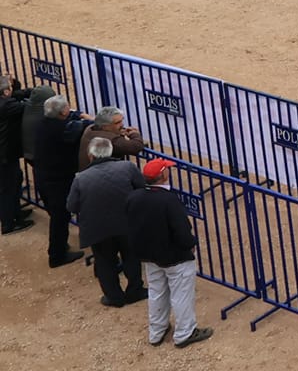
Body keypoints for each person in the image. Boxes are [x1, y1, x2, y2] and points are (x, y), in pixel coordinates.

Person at [127, 158, 210, 348]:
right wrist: (191, 244)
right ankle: (184, 333)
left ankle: (156, 332)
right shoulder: (169, 200)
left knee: (156, 292)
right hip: (175, 257)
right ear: (163, 175)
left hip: (149, 256)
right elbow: (181, 230)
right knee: (181, 295)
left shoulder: (133, 197)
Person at [69, 138, 145, 307]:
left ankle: (114, 297)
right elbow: (141, 189)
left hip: (97, 229)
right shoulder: (127, 167)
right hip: (127, 223)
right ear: (110, 152)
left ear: (90, 156)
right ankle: (135, 291)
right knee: (131, 257)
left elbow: (71, 205)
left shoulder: (81, 178)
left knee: (105, 262)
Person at [34, 92, 85, 266]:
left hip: (43, 176)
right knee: (60, 217)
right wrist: (86, 119)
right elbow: (83, 127)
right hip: (57, 181)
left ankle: (58, 248)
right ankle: (57, 255)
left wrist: (74, 115)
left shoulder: (43, 123)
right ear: (63, 112)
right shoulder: (62, 129)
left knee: (58, 216)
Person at [0, 79, 35, 234]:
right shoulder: (6, 106)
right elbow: (27, 106)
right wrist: (36, 96)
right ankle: (8, 223)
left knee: (15, 180)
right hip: (4, 155)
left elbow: (16, 96)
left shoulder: (5, 102)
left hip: (6, 153)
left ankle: (15, 213)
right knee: (7, 187)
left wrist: (27, 91)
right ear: (6, 92)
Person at [78, 104, 144, 167]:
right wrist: (135, 134)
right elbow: (136, 146)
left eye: (122, 120)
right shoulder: (112, 140)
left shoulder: (91, 128)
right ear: (104, 126)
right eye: (117, 123)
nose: (122, 124)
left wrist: (119, 132)